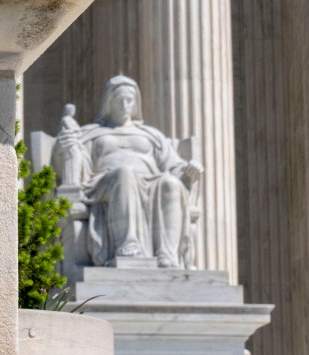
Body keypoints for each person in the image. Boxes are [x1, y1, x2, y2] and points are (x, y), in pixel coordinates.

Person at [49, 76, 202, 268]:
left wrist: (189, 171)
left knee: (171, 183)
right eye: (119, 100)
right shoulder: (90, 133)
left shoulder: (152, 135)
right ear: (108, 103)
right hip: (103, 184)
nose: (125, 105)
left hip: (151, 182)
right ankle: (128, 245)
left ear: (136, 103)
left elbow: (174, 166)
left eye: (129, 100)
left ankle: (167, 255)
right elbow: (70, 162)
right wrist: (62, 148)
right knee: (126, 174)